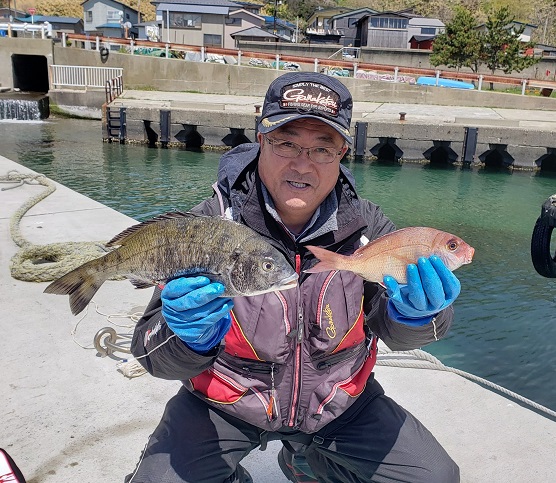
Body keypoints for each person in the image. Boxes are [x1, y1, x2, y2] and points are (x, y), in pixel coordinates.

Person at [126, 72, 461, 483]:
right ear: (261, 140)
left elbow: (397, 334)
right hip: (225, 402)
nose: (302, 164)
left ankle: (307, 463)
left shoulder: (369, 229)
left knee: (436, 477)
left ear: (342, 154)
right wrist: (187, 336)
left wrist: (420, 316)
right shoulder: (208, 228)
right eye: (286, 143)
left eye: (323, 148)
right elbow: (149, 353)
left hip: (337, 405)